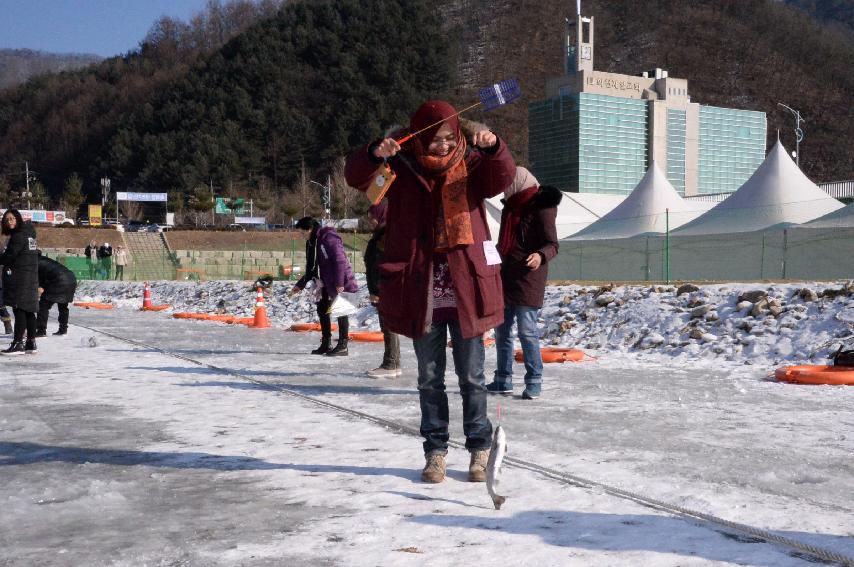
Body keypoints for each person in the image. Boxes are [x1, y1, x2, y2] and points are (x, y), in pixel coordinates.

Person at [345, 100, 515, 484]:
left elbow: (501, 177)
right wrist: (375, 151)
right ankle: (435, 452)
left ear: (457, 135)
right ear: (418, 137)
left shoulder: (472, 165)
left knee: (472, 377)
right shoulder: (401, 168)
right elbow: (358, 178)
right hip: (422, 290)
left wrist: (493, 147)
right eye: (433, 139)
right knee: (429, 378)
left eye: (447, 138)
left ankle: (479, 449)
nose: (440, 146)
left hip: (467, 287)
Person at [485, 167, 561, 400]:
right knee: (502, 331)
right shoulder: (511, 205)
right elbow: (506, 242)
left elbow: (553, 243)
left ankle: (534, 380)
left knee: (527, 331)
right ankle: (503, 379)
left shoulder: (542, 205)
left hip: (528, 278)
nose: (504, 188)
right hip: (506, 276)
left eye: (507, 183)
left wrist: (540, 255)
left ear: (518, 182)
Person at [290, 217, 358, 356]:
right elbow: (311, 268)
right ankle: (326, 343)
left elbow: (340, 260)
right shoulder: (311, 243)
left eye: (303, 233)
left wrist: (339, 282)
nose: (302, 236)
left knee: (342, 309)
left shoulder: (329, 237)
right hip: (324, 282)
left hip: (340, 281)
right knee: (322, 309)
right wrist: (300, 285)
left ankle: (343, 345)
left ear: (310, 229)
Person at [363, 200, 400, 378]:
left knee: (388, 326)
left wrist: (377, 291)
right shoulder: (381, 234)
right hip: (382, 288)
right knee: (388, 326)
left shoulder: (386, 236)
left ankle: (390, 363)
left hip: (385, 289)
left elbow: (380, 265)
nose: (371, 222)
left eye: (373, 218)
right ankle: (394, 362)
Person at [0, 209, 40, 354]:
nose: (9, 221)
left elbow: (8, 256)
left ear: (18, 219)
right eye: (7, 219)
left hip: (20, 278)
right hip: (30, 277)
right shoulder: (30, 235)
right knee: (29, 311)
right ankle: (31, 342)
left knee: (20, 309)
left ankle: (18, 343)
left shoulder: (18, 236)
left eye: (12, 218)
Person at [35, 253, 77, 337]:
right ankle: (63, 329)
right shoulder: (44, 259)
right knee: (63, 306)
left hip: (59, 281)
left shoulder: (34, 262)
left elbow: (38, 278)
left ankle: (41, 330)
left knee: (43, 305)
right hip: (71, 278)